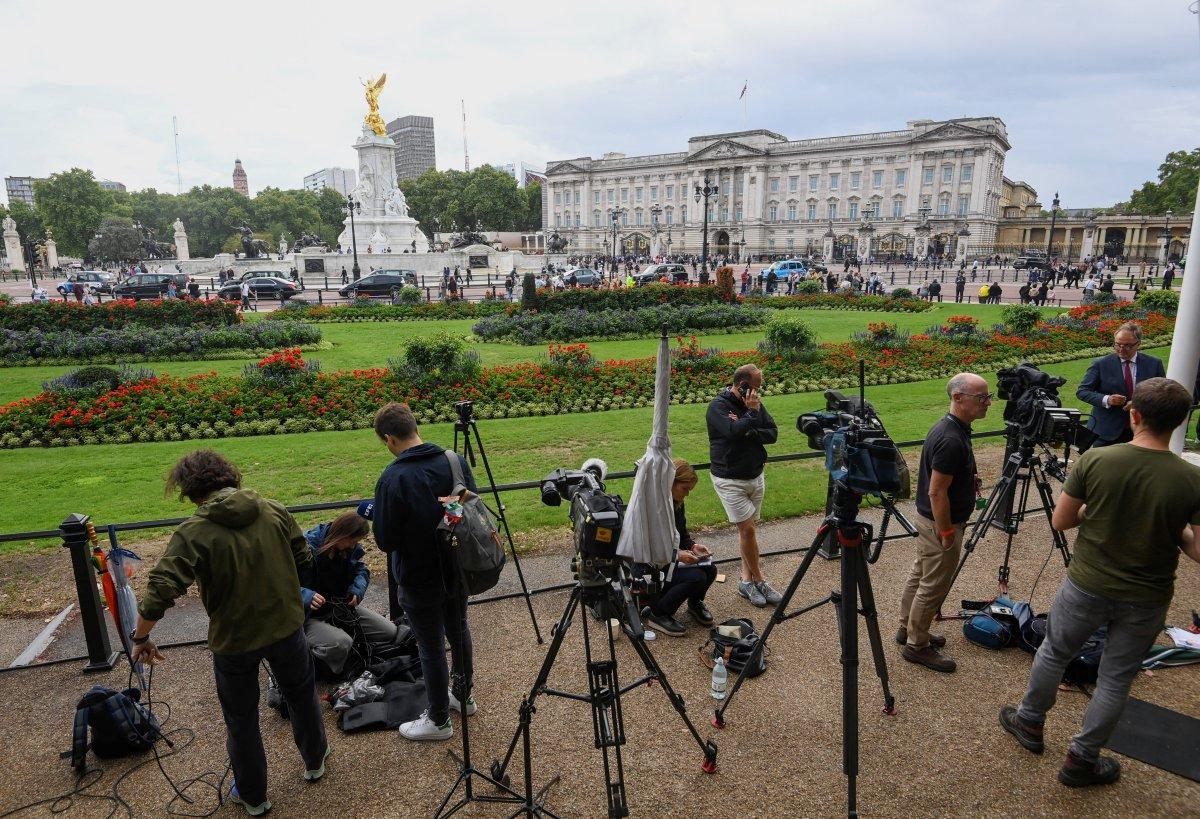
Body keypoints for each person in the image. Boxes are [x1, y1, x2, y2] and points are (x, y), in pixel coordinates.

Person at [999, 378, 1200, 787]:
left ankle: (1030, 722)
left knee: (1054, 653)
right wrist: (1176, 531)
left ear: (1134, 414)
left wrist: (1096, 511)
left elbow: (1062, 520)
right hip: (1147, 595)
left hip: (1087, 583)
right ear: (1181, 421)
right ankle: (1082, 759)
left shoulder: (1097, 460)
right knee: (1116, 677)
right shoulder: (1191, 479)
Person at [129, 451, 328, 816]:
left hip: (234, 639)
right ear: (229, 476)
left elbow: (161, 587)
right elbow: (304, 559)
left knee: (242, 720)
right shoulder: (274, 509)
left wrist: (140, 637)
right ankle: (315, 760)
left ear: (190, 490)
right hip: (286, 627)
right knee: (301, 695)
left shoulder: (195, 532)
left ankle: (253, 797)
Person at [372, 402, 476, 742]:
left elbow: (386, 540)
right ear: (414, 426)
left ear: (389, 439)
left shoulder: (393, 477)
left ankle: (439, 719)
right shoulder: (453, 460)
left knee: (429, 646)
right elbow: (467, 506)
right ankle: (462, 695)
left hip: (418, 575)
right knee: (458, 631)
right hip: (456, 565)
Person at [898, 372, 990, 673]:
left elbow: (942, 480)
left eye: (987, 397)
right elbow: (936, 491)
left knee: (920, 574)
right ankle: (917, 645)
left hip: (929, 521)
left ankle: (908, 629)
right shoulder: (951, 439)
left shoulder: (951, 428)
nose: (987, 403)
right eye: (981, 398)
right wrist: (948, 531)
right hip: (940, 523)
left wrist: (967, 477)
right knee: (933, 584)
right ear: (957, 398)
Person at [706, 364, 780, 607]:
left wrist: (748, 429)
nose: (758, 392)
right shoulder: (718, 407)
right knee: (747, 530)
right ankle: (759, 579)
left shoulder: (755, 403)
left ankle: (745, 581)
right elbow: (730, 431)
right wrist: (750, 417)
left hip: (755, 476)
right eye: (756, 387)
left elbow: (772, 433)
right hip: (730, 479)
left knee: (747, 533)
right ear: (742, 385)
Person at [300, 506, 397, 678]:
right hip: (308, 615)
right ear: (342, 535)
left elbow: (362, 571)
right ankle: (311, 662)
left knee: (389, 632)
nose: (355, 546)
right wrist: (306, 595)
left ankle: (340, 646)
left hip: (339, 608)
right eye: (353, 541)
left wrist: (356, 590)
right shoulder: (305, 548)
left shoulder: (346, 549)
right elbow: (282, 584)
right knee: (341, 643)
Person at [639, 459, 718, 636]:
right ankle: (658, 613)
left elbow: (681, 534)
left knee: (711, 570)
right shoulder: (653, 507)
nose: (687, 495)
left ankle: (694, 602)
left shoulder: (676, 502)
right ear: (671, 483)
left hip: (669, 560)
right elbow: (649, 547)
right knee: (696, 577)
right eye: (685, 489)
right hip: (651, 567)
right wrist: (677, 555)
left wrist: (693, 546)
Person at [1077, 322, 1166, 446]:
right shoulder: (1101, 364)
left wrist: (1139, 403)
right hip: (1106, 432)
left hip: (1141, 430)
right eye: (1118, 345)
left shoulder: (1154, 364)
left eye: (1127, 346)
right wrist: (1107, 399)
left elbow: (1162, 394)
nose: (1121, 349)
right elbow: (1082, 391)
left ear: (1138, 344)